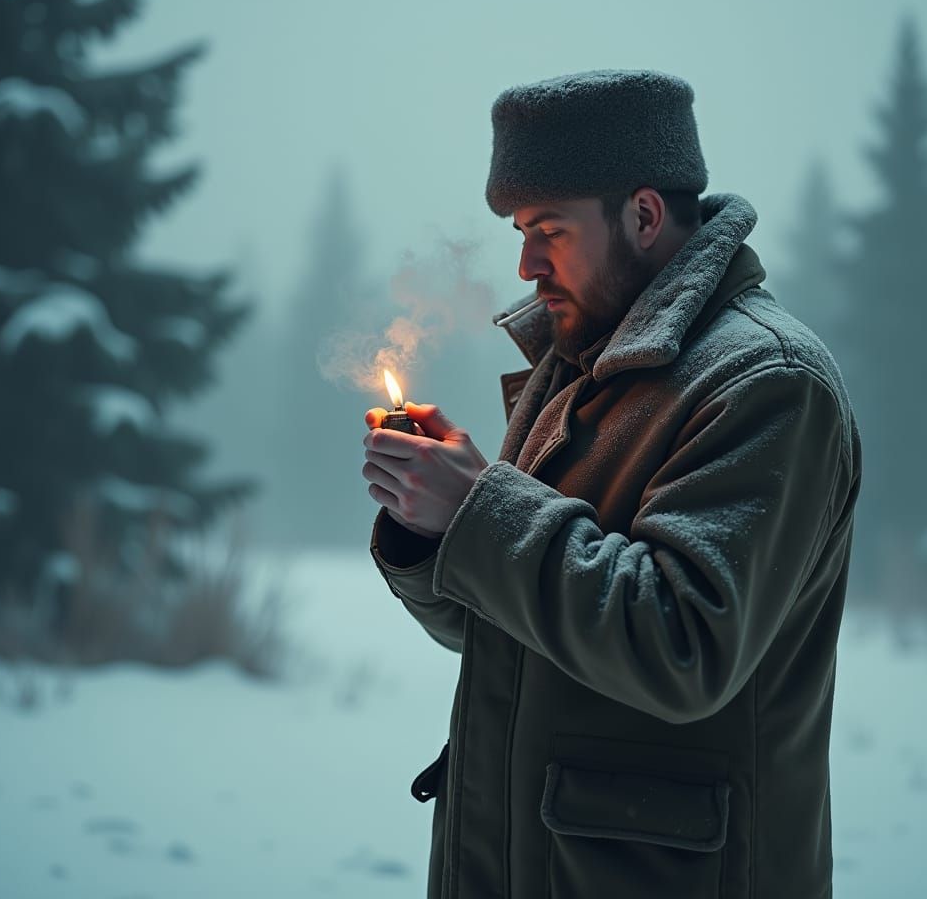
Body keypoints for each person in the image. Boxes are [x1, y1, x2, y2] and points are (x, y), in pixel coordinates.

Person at [362, 69, 862, 899]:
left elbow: (681, 646)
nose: (524, 263)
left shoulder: (768, 383)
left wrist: (478, 510)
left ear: (643, 215)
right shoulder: (574, 369)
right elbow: (502, 631)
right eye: (520, 230)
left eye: (548, 228)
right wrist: (432, 529)